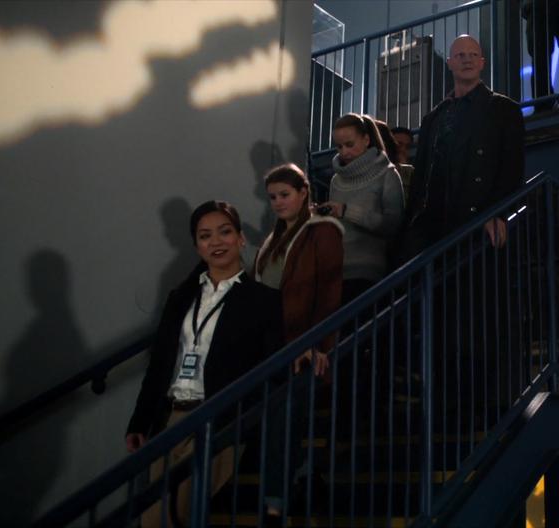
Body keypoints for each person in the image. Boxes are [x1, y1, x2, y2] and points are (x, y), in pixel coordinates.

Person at [126, 200, 283, 528]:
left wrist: (307, 353)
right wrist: (139, 422)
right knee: (153, 518)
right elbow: (159, 365)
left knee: (176, 510)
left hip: (218, 418)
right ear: (197, 246)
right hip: (171, 418)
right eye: (205, 236)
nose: (216, 242)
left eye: (225, 232)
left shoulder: (262, 301)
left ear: (240, 238)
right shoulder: (180, 298)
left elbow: (273, 362)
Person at [253, 163, 344, 517]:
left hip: (302, 341)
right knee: (274, 418)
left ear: (304, 192)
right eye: (273, 197)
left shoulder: (323, 230)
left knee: (284, 417)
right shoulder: (271, 239)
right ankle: (304, 471)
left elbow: (328, 291)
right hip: (270, 343)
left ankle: (276, 502)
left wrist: (320, 344)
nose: (278, 202)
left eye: (284, 195)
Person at [405, 34, 525, 255]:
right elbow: (421, 176)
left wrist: (498, 212)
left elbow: (512, 168)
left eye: (473, 55)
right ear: (449, 62)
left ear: (482, 62)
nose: (467, 60)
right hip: (433, 229)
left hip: (478, 225)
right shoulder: (433, 118)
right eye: (460, 55)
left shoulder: (504, 110)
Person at [318, 113, 405, 305]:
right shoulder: (335, 180)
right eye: (339, 147)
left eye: (350, 144)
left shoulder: (387, 174)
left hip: (368, 272)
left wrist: (348, 211)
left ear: (366, 139)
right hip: (335, 271)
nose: (344, 152)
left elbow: (393, 226)